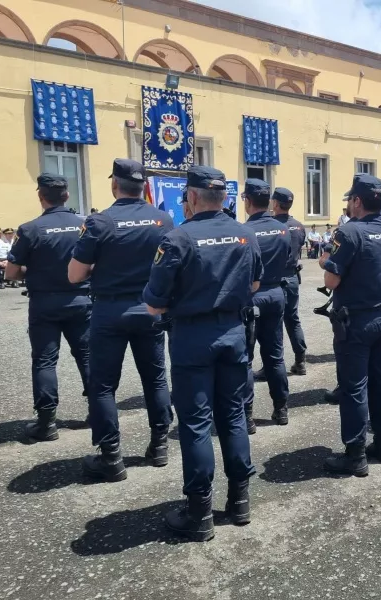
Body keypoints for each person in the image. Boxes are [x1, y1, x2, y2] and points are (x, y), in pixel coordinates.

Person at [143, 166, 262, 542]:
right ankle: (240, 500)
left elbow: (154, 305)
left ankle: (199, 512)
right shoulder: (246, 234)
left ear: (191, 197)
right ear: (224, 197)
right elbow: (255, 283)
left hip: (193, 337)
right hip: (234, 333)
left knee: (196, 424)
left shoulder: (177, 238)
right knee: (233, 417)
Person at [69, 158, 174, 482]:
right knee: (155, 379)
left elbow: (75, 275)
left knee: (102, 386)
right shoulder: (163, 220)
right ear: (143, 186)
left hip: (109, 312)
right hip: (150, 309)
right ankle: (159, 446)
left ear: (114, 184)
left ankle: (111, 457)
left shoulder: (99, 221)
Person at [319, 174, 381, 475]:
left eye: (349, 200)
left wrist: (326, 261)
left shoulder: (349, 232)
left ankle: (355, 454)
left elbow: (331, 279)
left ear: (356, 201)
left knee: (354, 387)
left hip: (356, 320)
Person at [5, 174, 91, 441]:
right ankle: (99, 412)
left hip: (45, 303)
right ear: (66, 195)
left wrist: (34, 273)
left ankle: (47, 423)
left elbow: (10, 273)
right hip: (82, 301)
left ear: (40, 196)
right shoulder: (85, 225)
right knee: (87, 356)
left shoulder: (29, 229)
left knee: (44, 361)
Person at [243, 179, 291, 432]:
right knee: (275, 356)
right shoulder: (282, 229)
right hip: (275, 293)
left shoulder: (244, 232)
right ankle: (281, 409)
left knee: (246, 359)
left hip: (253, 296)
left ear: (248, 201)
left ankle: (247, 415)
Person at [271, 187, 308, 375]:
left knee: (273, 322)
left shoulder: (271, 226)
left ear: (275, 203)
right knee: (292, 319)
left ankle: (274, 365)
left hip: (275, 279)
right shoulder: (299, 226)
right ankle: (300, 360)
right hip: (292, 276)